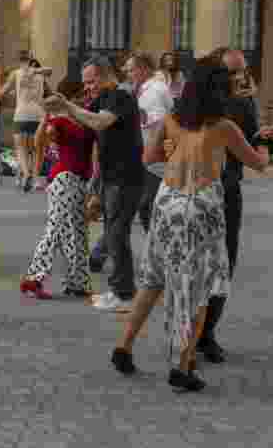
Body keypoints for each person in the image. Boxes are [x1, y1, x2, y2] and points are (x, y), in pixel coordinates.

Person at [110, 59, 269, 392]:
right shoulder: (224, 126)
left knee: (153, 278)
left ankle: (123, 347)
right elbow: (257, 163)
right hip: (201, 206)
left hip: (167, 202)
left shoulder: (172, 120)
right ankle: (182, 365)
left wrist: (176, 151)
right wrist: (266, 142)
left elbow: (149, 158)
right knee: (198, 288)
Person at [44, 56, 143, 313]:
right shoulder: (103, 99)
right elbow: (86, 128)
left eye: (91, 81)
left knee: (117, 235)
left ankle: (124, 294)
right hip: (112, 178)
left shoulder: (120, 96)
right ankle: (119, 290)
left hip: (126, 178)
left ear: (106, 75)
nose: (88, 87)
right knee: (113, 234)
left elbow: (99, 122)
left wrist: (67, 106)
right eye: (86, 83)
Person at [197, 48, 273, 364]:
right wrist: (266, 144)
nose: (239, 77)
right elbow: (258, 156)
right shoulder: (198, 103)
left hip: (227, 193)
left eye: (242, 71)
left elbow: (250, 137)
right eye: (232, 71)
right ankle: (191, 332)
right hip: (199, 191)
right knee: (196, 264)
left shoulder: (243, 103)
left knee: (223, 264)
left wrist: (259, 136)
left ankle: (207, 333)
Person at [20, 79, 97, 299]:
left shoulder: (85, 117)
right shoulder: (60, 120)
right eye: (81, 94)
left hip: (81, 180)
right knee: (56, 229)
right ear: (68, 97)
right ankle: (34, 279)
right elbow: (40, 142)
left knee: (78, 232)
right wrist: (47, 118)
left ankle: (78, 282)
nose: (85, 97)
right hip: (64, 179)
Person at [124, 52, 174, 234]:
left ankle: (158, 244)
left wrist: (148, 156)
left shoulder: (153, 91)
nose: (128, 74)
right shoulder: (149, 88)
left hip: (152, 158)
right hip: (150, 156)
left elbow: (159, 122)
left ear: (143, 69)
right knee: (145, 205)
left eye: (131, 70)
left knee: (146, 205)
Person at [1, 51, 52, 193]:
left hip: (21, 114)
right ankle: (35, 179)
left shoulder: (16, 73)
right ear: (30, 60)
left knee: (20, 148)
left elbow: (1, 92)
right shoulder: (40, 74)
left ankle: (26, 173)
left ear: (19, 60)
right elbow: (50, 72)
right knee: (37, 149)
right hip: (38, 114)